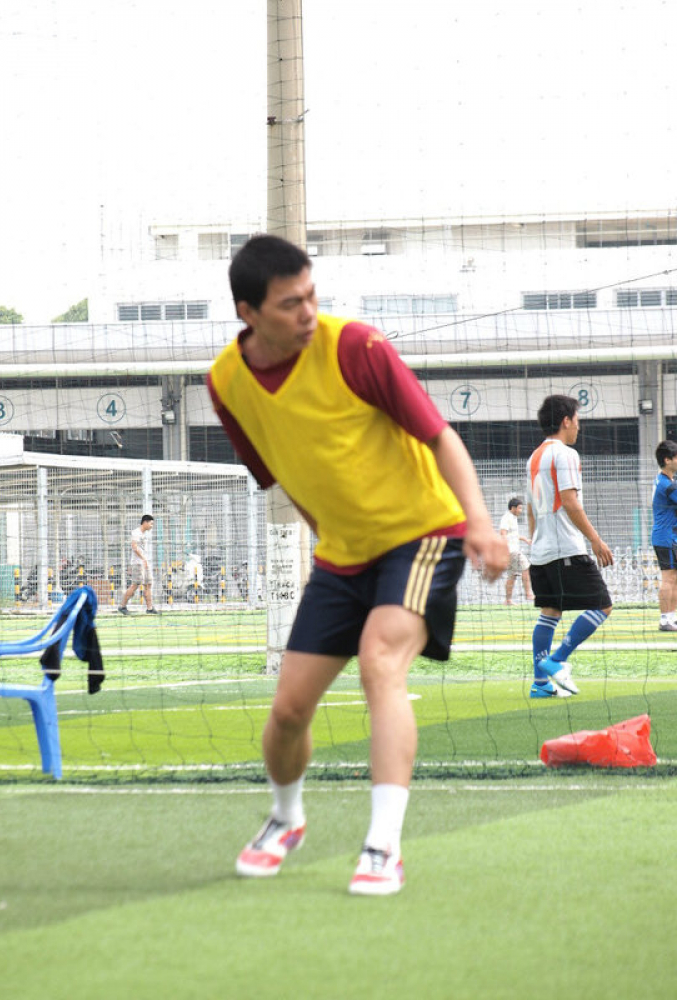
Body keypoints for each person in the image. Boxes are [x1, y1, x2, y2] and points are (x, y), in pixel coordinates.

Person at [207, 234, 508, 895]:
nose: (308, 311)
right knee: (288, 711)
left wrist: (481, 526)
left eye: (312, 295)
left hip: (424, 533)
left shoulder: (356, 347)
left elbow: (441, 436)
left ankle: (382, 846)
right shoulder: (226, 383)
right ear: (248, 312)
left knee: (381, 661)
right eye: (290, 303)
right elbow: (287, 471)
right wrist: (332, 539)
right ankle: (286, 820)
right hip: (342, 556)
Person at [526, 395, 613, 698]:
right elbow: (570, 501)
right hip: (566, 548)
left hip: (541, 552)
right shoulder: (565, 454)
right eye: (577, 419)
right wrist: (595, 539)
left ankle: (540, 685)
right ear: (566, 421)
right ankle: (557, 660)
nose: (579, 425)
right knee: (603, 604)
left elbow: (530, 507)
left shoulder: (534, 456)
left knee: (550, 611)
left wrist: (535, 544)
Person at [651, 440, 677, 631]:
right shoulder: (667, 486)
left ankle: (671, 617)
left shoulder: (665, 481)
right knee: (668, 578)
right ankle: (665, 619)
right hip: (666, 538)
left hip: (669, 537)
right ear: (668, 460)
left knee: (673, 577)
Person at [118, 514, 160, 615]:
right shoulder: (136, 532)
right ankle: (122, 606)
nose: (152, 526)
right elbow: (134, 547)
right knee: (135, 585)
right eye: (151, 523)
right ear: (145, 522)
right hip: (138, 564)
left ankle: (150, 608)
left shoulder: (144, 534)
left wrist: (146, 560)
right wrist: (143, 559)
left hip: (145, 563)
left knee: (148, 584)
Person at [499, 497, 533, 604]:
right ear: (513, 508)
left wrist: (525, 539)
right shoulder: (506, 518)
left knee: (512, 575)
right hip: (511, 551)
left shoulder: (513, 518)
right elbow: (503, 533)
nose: (521, 511)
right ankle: (529, 594)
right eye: (519, 508)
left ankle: (508, 600)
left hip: (511, 551)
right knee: (526, 567)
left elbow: (513, 535)